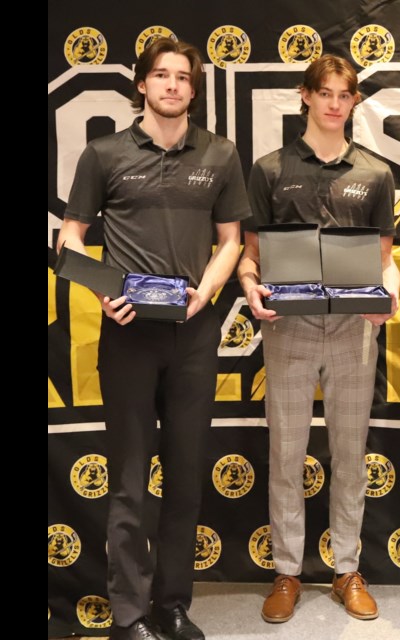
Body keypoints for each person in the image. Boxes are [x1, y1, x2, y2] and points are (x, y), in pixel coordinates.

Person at [57, 37, 249, 640]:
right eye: (161, 76)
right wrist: (105, 294)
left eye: (182, 78)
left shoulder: (219, 154)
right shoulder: (104, 153)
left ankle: (172, 603)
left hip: (194, 333)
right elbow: (70, 237)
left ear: (194, 89)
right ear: (141, 84)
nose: (172, 86)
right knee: (131, 482)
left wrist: (205, 295)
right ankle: (130, 615)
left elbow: (232, 239)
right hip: (128, 335)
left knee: (187, 476)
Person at [236, 54, 399, 624]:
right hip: (288, 326)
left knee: (350, 454)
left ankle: (346, 569)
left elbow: (385, 259)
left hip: (355, 326)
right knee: (287, 453)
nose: (334, 103)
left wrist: (390, 295)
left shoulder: (376, 174)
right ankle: (286, 571)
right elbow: (249, 254)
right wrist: (251, 288)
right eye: (324, 93)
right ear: (305, 96)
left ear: (355, 101)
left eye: (344, 94)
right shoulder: (270, 168)